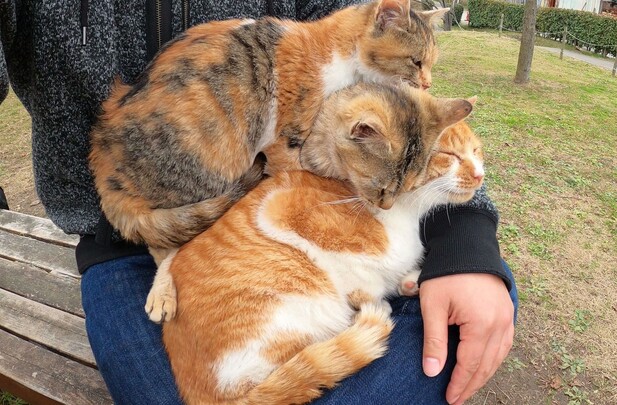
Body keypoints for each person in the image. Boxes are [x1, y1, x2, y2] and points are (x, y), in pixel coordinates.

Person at [0, 1, 517, 404]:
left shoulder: (363, 31)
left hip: (309, 207)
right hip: (136, 244)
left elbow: (410, 108)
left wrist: (466, 242)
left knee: (458, 324)